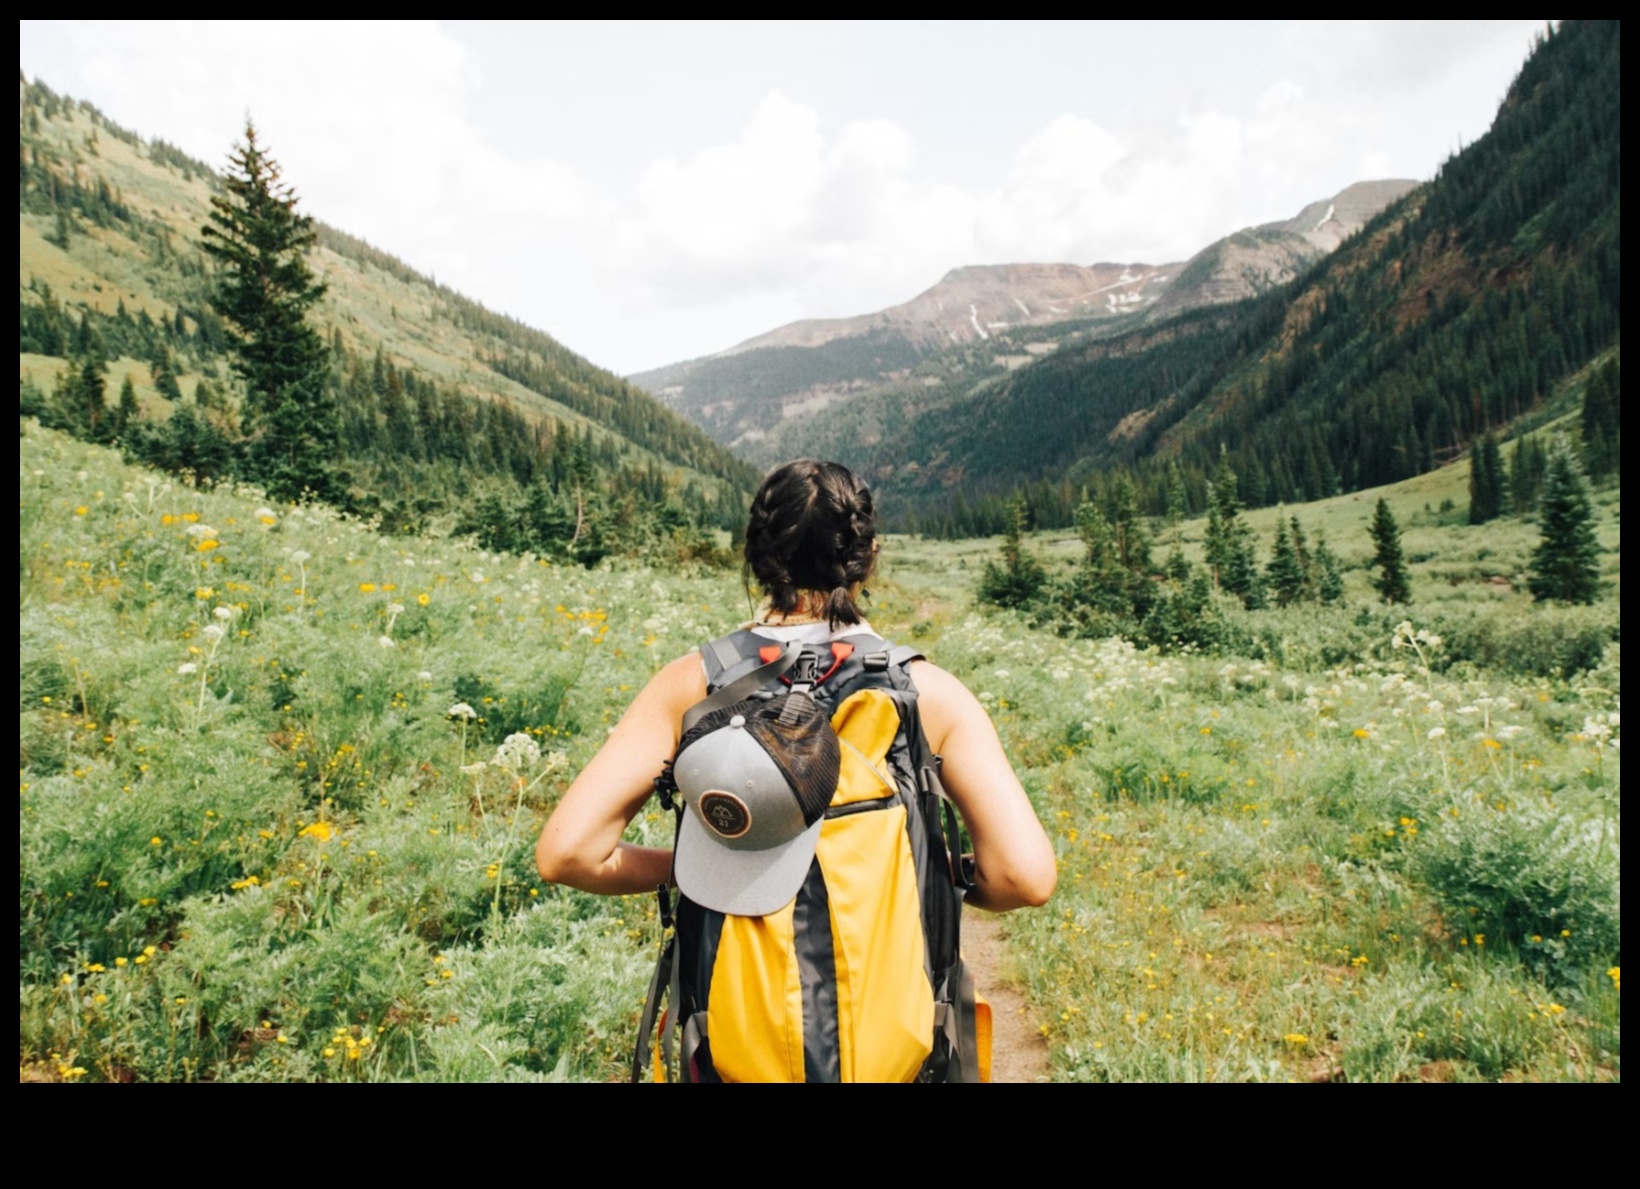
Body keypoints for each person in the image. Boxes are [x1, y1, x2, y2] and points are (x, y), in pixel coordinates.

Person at [536, 458, 1055, 915]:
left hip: (731, 1019)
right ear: (868, 557)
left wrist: (696, 871)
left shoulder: (692, 683)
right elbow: (1023, 878)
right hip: (892, 1022)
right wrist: (924, 873)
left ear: (757, 559)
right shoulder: (928, 691)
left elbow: (569, 854)